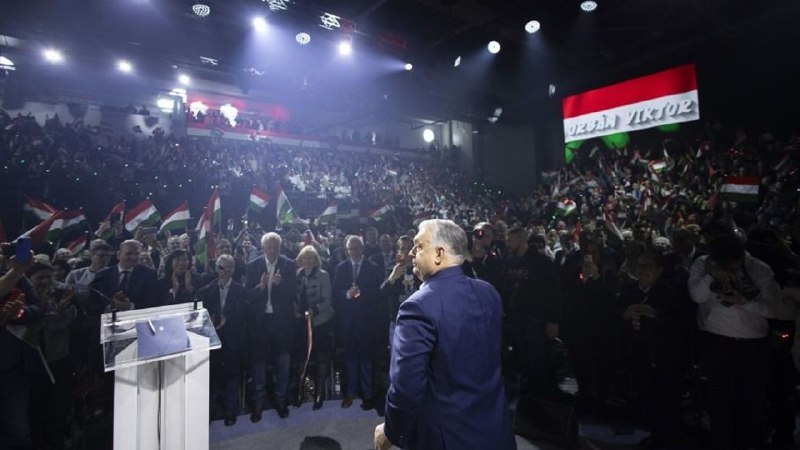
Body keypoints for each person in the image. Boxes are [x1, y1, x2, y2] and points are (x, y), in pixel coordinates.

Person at [374, 219, 516, 450]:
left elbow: (406, 388)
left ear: (439, 254)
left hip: (447, 438)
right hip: (495, 431)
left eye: (419, 246)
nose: (412, 252)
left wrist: (391, 431)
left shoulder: (417, 307)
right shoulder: (489, 292)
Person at [689, 227, 781, 450]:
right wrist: (712, 275)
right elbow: (697, 296)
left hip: (752, 344)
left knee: (751, 401)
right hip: (717, 340)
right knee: (719, 401)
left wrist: (743, 301)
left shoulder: (760, 269)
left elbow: (773, 309)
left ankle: (751, 443)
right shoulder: (703, 264)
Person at [246, 232, 298, 421]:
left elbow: (293, 292)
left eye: (276, 246)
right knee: (259, 364)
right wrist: (260, 287)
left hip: (282, 322)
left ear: (280, 247)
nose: (273, 250)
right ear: (263, 248)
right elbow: (248, 295)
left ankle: (281, 399)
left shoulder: (289, 264)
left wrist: (280, 285)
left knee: (283, 362)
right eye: (269, 247)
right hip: (260, 322)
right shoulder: (253, 266)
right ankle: (259, 402)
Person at [196, 254, 248, 426]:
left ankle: (230, 411)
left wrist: (228, 320)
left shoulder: (241, 290)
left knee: (232, 375)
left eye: (228, 267)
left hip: (233, 338)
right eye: (221, 267)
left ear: (233, 269)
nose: (225, 270)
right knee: (213, 376)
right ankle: (211, 411)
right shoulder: (205, 290)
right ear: (216, 268)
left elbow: (243, 314)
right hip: (213, 339)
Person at [332, 235, 382, 410]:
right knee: (350, 358)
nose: (355, 251)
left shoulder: (373, 267)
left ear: (363, 248)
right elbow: (335, 293)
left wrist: (362, 293)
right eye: (352, 248)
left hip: (366, 320)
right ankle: (351, 392)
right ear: (347, 250)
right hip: (347, 321)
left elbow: (378, 293)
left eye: (358, 247)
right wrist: (347, 294)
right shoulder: (341, 268)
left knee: (367, 358)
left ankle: (367, 393)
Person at [295, 245, 335, 410]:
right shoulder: (297, 274)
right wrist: (295, 310)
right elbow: (294, 296)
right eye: (305, 258)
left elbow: (327, 300)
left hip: (320, 322)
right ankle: (305, 391)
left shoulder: (323, 275)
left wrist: (314, 310)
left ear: (316, 259)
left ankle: (320, 393)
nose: (308, 261)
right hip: (301, 323)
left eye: (311, 258)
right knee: (303, 359)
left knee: (321, 357)